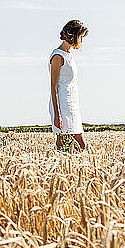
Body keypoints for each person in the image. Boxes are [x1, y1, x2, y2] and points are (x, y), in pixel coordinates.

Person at [48, 20, 88, 151]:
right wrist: (57, 114)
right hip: (62, 105)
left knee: (77, 146)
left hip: (72, 104)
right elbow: (53, 88)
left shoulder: (68, 55)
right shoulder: (58, 56)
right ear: (74, 35)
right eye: (80, 36)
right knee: (65, 145)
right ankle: (57, 168)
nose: (81, 40)